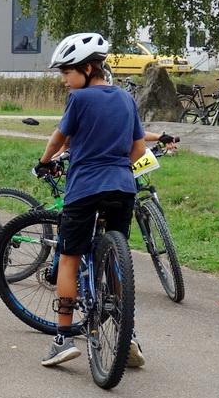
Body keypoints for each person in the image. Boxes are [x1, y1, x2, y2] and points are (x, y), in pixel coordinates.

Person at [35, 32, 147, 369]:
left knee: (69, 257)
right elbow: (138, 150)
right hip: (123, 188)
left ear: (86, 69)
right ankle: (127, 336)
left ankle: (63, 338)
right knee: (116, 259)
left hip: (85, 188)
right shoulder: (127, 99)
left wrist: (44, 161)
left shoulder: (80, 100)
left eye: (66, 73)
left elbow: (59, 138)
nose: (64, 80)